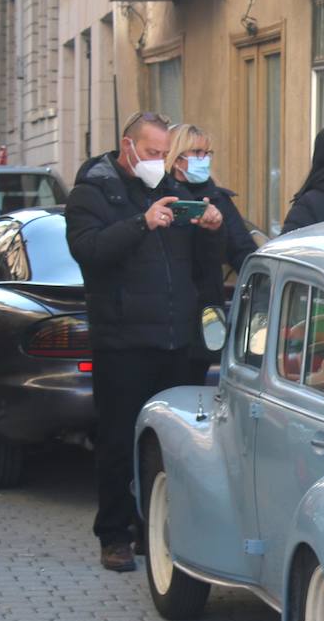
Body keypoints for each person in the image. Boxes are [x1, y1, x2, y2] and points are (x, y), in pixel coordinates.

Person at [65, 111, 225, 572]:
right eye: (152, 152)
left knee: (170, 445)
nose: (159, 160)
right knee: (117, 440)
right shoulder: (92, 192)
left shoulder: (172, 192)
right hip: (123, 340)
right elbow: (88, 251)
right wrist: (141, 223)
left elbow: (201, 264)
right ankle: (114, 535)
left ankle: (152, 531)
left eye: (163, 152)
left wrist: (210, 228)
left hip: (176, 340)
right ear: (128, 146)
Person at [165, 123, 257, 383]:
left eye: (207, 153)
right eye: (196, 152)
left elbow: (243, 249)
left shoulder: (217, 198)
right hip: (170, 312)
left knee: (196, 383)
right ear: (176, 156)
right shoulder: (162, 197)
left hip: (206, 310)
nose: (203, 159)